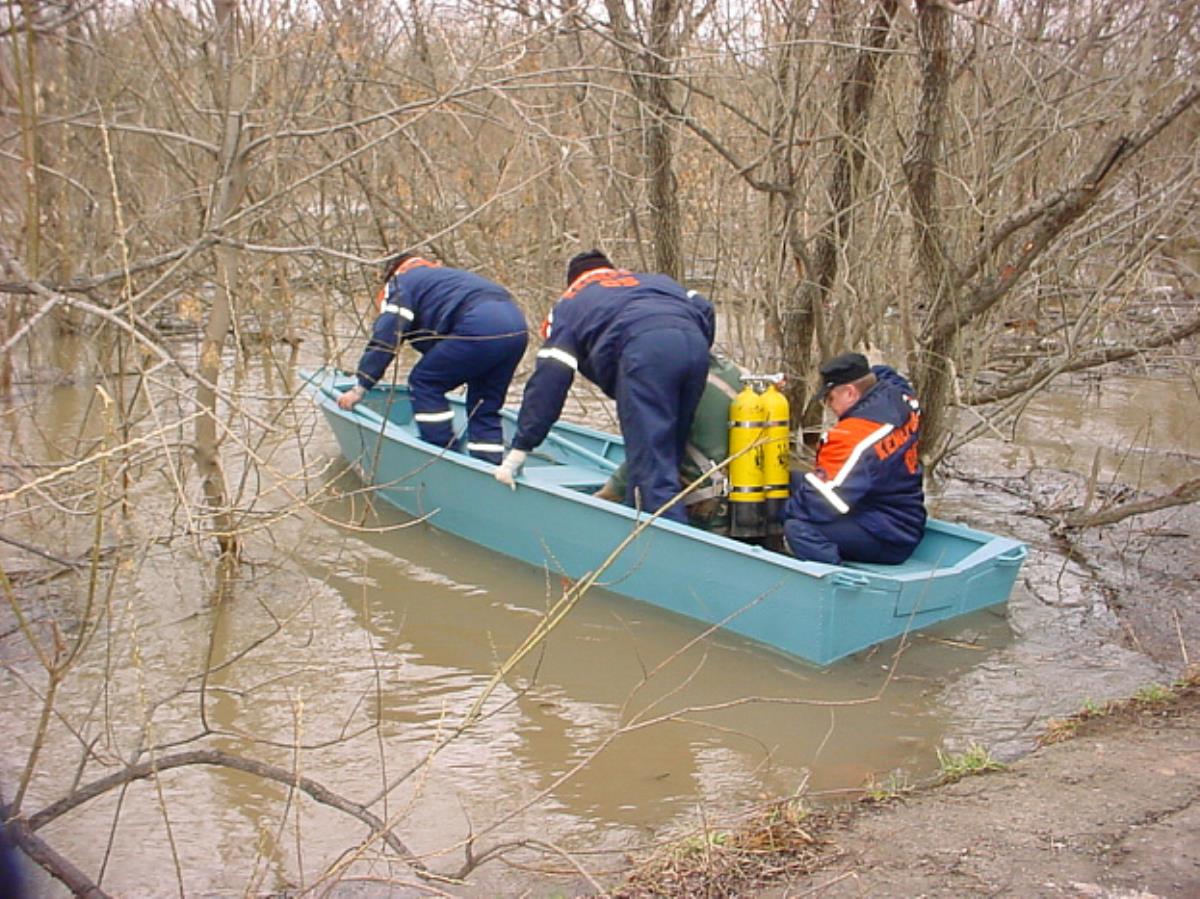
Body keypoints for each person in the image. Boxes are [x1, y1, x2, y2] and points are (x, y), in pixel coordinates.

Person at [494, 250, 715, 522]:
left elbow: (550, 379)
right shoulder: (654, 281)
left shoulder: (569, 303)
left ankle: (669, 547)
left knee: (652, 467)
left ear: (573, 280)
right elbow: (703, 306)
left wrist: (520, 449)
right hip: (694, 347)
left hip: (644, 352)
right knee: (669, 450)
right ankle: (637, 511)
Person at [338, 253, 528, 464]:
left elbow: (388, 332)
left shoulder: (401, 282)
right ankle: (488, 465)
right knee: (484, 405)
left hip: (479, 325)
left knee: (425, 382)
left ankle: (442, 456)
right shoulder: (445, 278)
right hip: (517, 328)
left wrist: (362, 385)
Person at [781, 351, 925, 565]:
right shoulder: (900, 396)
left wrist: (777, 513)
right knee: (787, 479)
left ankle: (836, 578)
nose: (828, 405)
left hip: (888, 535)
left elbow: (820, 504)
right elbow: (884, 372)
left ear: (850, 393)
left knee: (797, 529)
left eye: (830, 398)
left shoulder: (851, 438)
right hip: (900, 510)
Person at [594, 353, 742, 533]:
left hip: (707, 514)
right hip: (748, 506)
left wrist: (605, 497)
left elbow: (647, 449)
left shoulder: (671, 379)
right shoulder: (735, 372)